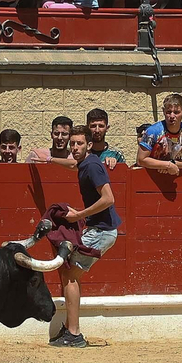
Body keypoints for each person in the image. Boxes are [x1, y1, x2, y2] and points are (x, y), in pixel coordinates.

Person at [49, 125, 120, 349]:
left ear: (89, 145)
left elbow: (109, 198)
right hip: (99, 229)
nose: (75, 148)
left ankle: (74, 333)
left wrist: (79, 215)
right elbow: (73, 164)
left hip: (102, 231)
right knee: (70, 273)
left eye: (79, 144)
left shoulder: (92, 166)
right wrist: (49, 159)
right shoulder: (86, 163)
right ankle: (71, 328)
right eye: (73, 144)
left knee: (70, 275)